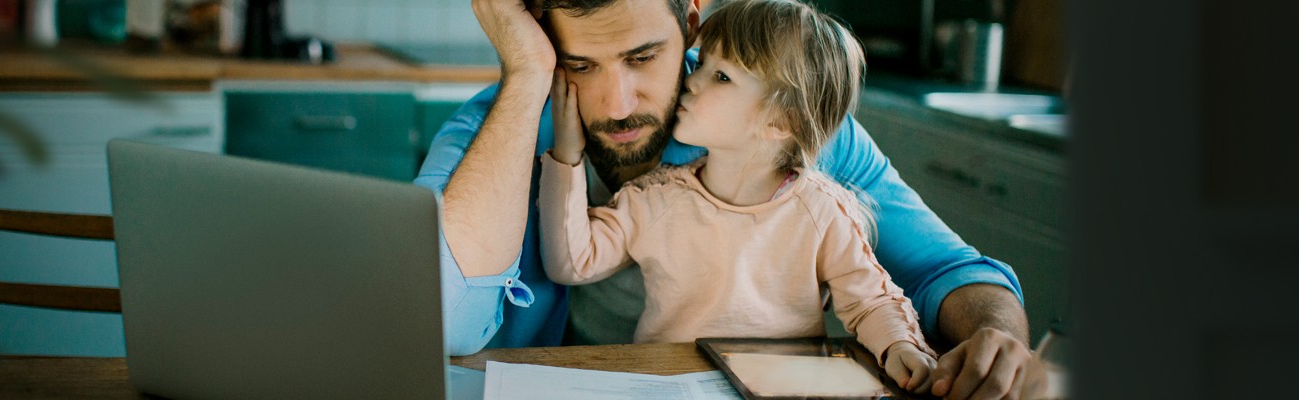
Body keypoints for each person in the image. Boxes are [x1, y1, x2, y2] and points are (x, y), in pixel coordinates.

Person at [422, 0, 1042, 397]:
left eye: (644, 57)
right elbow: (436, 319)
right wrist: (528, 75)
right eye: (580, 65)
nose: (616, 106)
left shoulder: (783, 120)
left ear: (691, 21)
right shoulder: (495, 128)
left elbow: (946, 269)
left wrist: (997, 343)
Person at [537, 0, 937, 391]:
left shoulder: (824, 212)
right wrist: (567, 156)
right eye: (704, 62)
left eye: (721, 76)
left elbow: (871, 302)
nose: (692, 79)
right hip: (671, 385)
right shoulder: (654, 199)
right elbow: (572, 263)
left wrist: (901, 345)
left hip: (783, 389)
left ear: (782, 121)